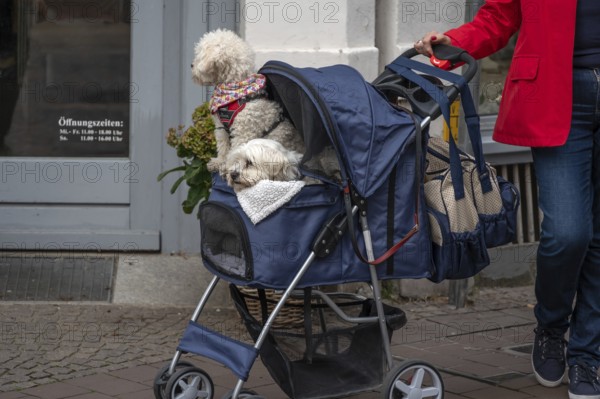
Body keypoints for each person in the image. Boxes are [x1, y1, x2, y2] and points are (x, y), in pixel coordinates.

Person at [414, 1, 600, 398]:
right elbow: (499, 16)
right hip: (557, 94)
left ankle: (588, 354)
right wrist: (454, 42)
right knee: (568, 233)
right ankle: (551, 326)